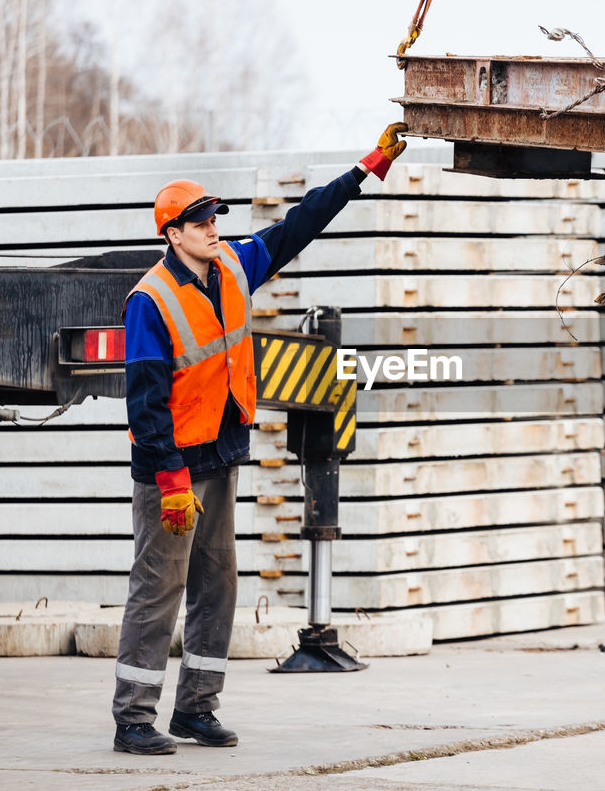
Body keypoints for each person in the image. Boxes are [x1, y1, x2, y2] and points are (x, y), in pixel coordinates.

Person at [111, 124, 407, 755]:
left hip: (217, 459)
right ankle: (134, 718)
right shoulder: (151, 300)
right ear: (172, 234)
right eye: (200, 223)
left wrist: (367, 167)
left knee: (217, 583)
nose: (213, 229)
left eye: (215, 219)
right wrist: (168, 483)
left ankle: (196, 709)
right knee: (159, 589)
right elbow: (145, 402)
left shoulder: (234, 268)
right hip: (171, 470)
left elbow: (301, 225)